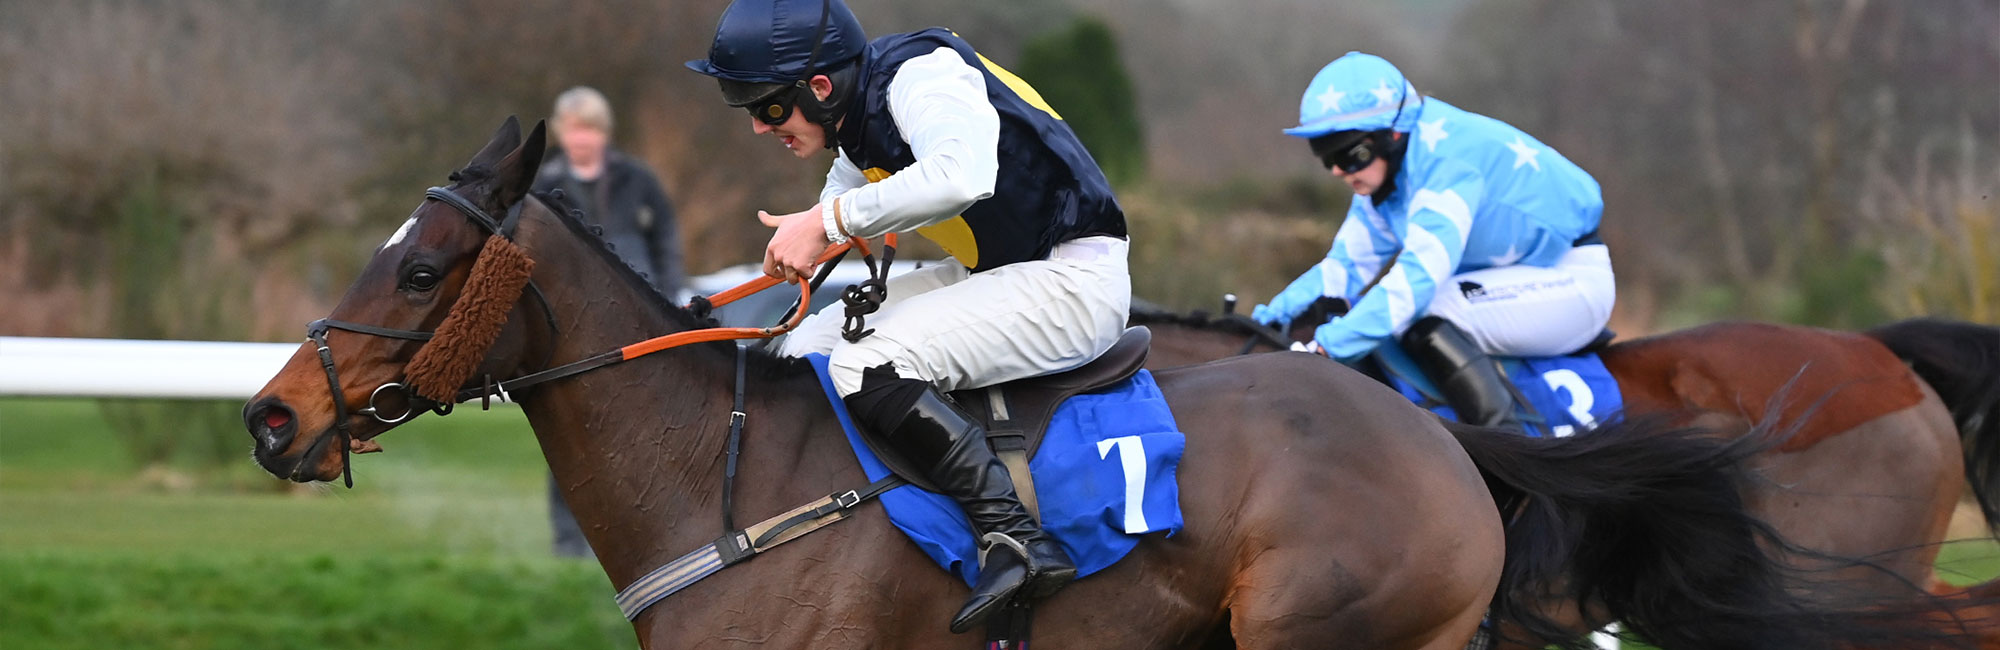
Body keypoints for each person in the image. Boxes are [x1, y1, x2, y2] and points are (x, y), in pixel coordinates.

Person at [686, 0, 1130, 632]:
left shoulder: (924, 76)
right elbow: (844, 195)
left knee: (869, 358)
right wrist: (814, 240)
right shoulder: (857, 120)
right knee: (806, 342)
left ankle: (1017, 540)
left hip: (1075, 278)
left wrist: (826, 224)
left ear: (819, 86)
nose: (761, 126)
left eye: (769, 107)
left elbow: (959, 176)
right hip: (1012, 273)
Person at [1254, 52, 1614, 431]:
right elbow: (1344, 269)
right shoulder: (1384, 178)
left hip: (1571, 279)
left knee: (1428, 311)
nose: (1341, 172)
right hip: (1511, 280)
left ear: (1392, 134)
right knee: (1394, 314)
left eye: (1351, 154)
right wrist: (1270, 318)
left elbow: (1417, 280)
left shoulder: (1447, 161)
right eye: (1326, 158)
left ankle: (1512, 452)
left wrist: (1329, 346)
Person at [533, 86, 686, 559]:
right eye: (576, 129)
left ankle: (655, 537)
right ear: (562, 133)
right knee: (570, 434)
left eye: (592, 129)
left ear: (605, 134)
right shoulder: (542, 185)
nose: (584, 139)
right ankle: (569, 548)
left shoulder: (637, 179)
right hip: (575, 331)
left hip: (641, 322)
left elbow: (666, 240)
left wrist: (669, 298)